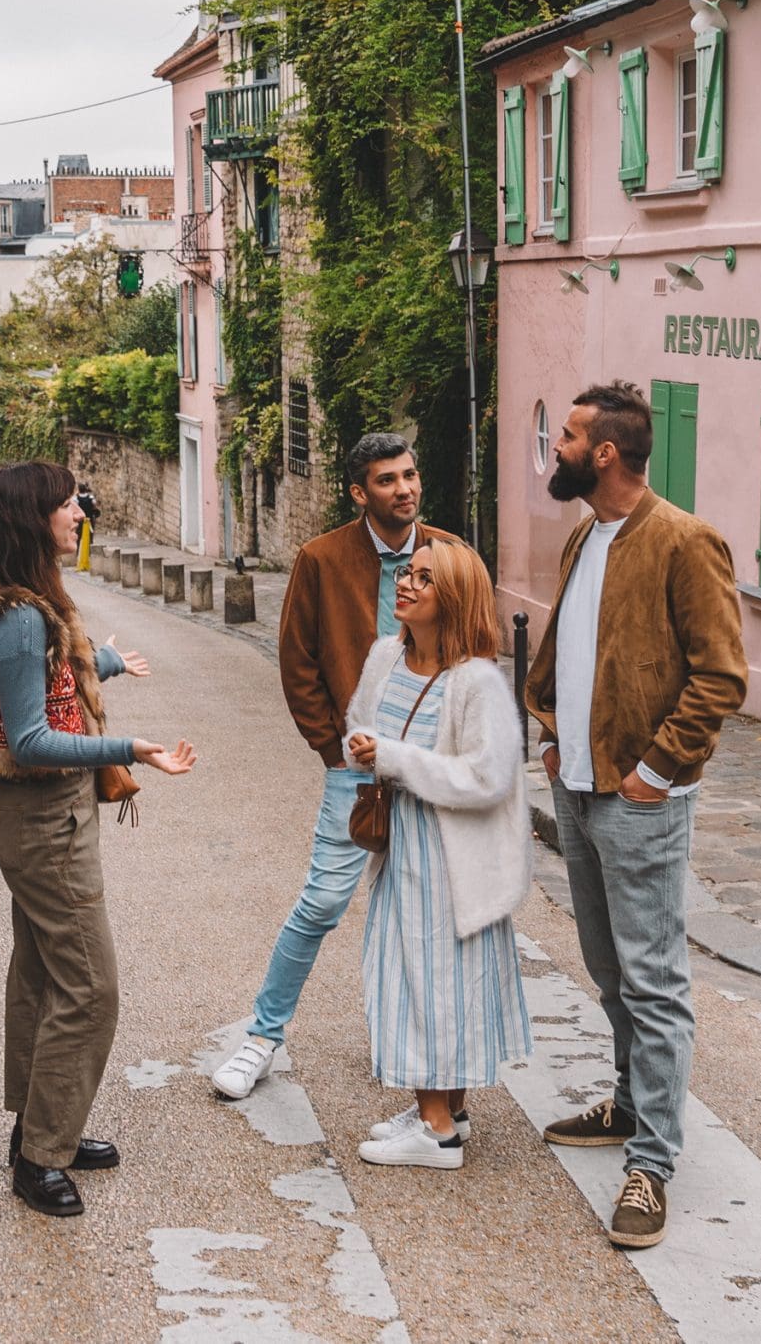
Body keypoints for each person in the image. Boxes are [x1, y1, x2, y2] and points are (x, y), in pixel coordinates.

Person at [526, 381, 747, 1250]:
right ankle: (627, 1103)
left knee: (655, 984)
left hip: (639, 798)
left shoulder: (685, 541)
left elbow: (721, 676)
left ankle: (651, 1165)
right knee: (608, 969)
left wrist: (657, 768)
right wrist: (550, 736)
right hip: (578, 788)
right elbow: (573, 653)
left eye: (570, 435)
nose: (559, 449)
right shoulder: (585, 534)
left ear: (606, 453)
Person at [0, 460, 197, 1219]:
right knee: (90, 986)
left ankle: (40, 1124)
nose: (79, 512)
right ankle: (41, 1153)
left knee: (41, 972)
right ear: (33, 517)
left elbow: (49, 680)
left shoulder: (18, 602)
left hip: (40, 816)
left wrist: (111, 662)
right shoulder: (22, 616)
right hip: (44, 815)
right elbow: (29, 737)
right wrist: (130, 747)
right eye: (67, 503)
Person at [210, 435, 456, 1102]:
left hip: (427, 767)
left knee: (423, 912)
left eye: (410, 474)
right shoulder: (320, 559)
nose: (404, 488)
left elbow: (473, 647)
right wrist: (334, 747)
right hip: (356, 769)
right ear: (359, 492)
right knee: (321, 902)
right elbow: (297, 662)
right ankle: (262, 1035)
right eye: (386, 480)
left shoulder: (452, 555)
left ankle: (413, 1047)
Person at [345, 540, 532, 1169]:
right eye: (407, 572)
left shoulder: (476, 681)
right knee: (419, 974)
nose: (407, 583)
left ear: (452, 598)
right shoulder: (385, 657)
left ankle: (436, 1132)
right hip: (402, 845)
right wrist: (363, 747)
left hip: (452, 855)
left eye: (425, 578)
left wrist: (393, 759)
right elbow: (358, 725)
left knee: (431, 981)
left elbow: (490, 777)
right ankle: (447, 1110)